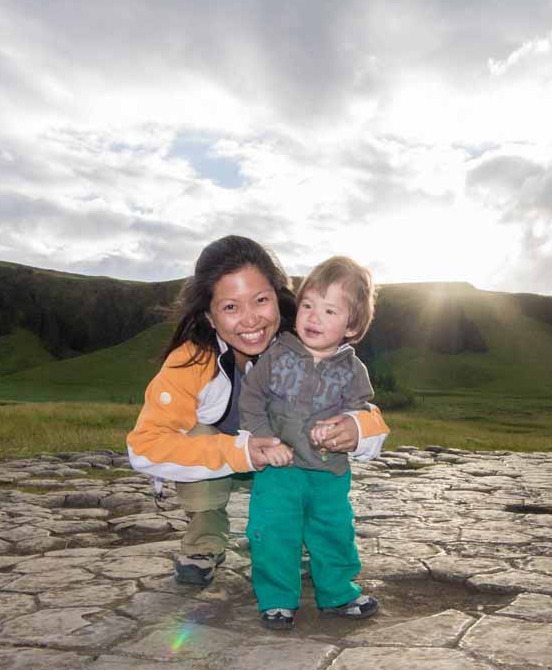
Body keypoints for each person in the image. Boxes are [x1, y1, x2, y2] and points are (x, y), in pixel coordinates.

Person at [127, 236, 389, 587]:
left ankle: (302, 538)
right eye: (231, 307)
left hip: (290, 464)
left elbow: (367, 410)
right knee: (199, 433)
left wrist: (356, 428)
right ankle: (205, 542)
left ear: (279, 298)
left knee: (304, 444)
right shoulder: (189, 363)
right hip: (226, 458)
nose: (250, 321)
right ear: (210, 314)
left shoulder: (303, 341)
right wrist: (242, 451)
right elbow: (144, 447)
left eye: (261, 300)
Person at [238, 255, 382, 629]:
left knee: (333, 531)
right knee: (272, 531)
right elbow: (251, 399)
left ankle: (337, 594)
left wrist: (345, 429)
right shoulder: (276, 354)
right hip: (279, 469)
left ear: (351, 326)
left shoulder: (353, 371)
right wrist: (265, 440)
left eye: (329, 310)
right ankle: (276, 599)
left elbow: (361, 415)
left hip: (328, 472)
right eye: (307, 306)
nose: (313, 317)